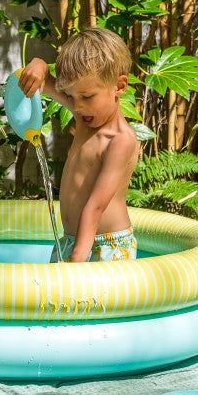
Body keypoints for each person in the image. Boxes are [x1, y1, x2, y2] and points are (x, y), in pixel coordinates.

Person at [18, 27, 139, 262]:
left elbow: (95, 206)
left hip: (107, 246)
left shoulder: (120, 140)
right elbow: (46, 82)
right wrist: (39, 64)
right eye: (70, 96)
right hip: (71, 240)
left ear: (119, 86)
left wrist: (76, 262)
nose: (77, 105)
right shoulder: (86, 117)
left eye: (86, 97)